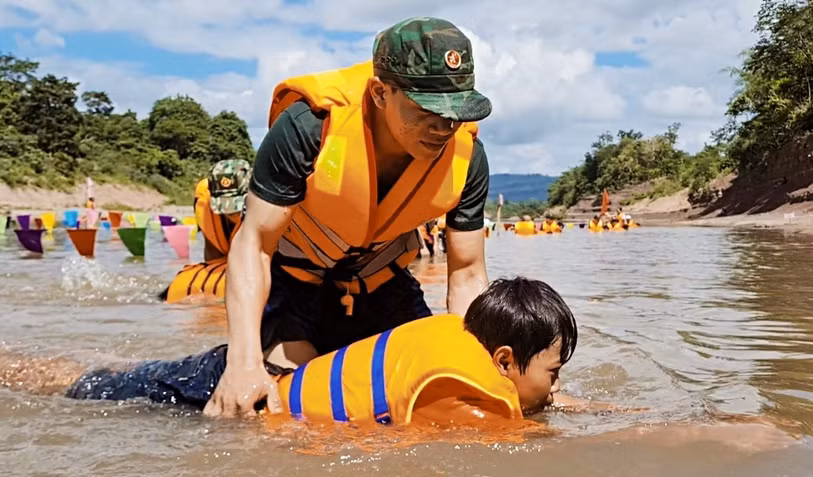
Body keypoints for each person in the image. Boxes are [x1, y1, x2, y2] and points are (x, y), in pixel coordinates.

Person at [209, 17, 493, 417]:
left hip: (379, 286)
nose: (444, 126)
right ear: (380, 92)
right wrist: (243, 363)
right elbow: (254, 244)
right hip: (293, 286)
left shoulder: (468, 157)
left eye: (456, 111)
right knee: (286, 407)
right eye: (427, 109)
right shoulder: (310, 127)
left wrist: (483, 365)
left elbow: (466, 272)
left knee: (440, 387)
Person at [3, 278, 580, 426]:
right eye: (553, 374)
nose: (554, 389)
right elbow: (524, 442)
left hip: (281, 372)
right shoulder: (467, 401)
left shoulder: (464, 353)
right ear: (502, 361)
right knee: (87, 384)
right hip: (234, 387)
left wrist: (557, 401)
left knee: (121, 374)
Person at [157, 160, 250, 303]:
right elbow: (212, 249)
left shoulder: (268, 202)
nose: (230, 211)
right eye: (224, 204)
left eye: (235, 204)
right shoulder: (204, 200)